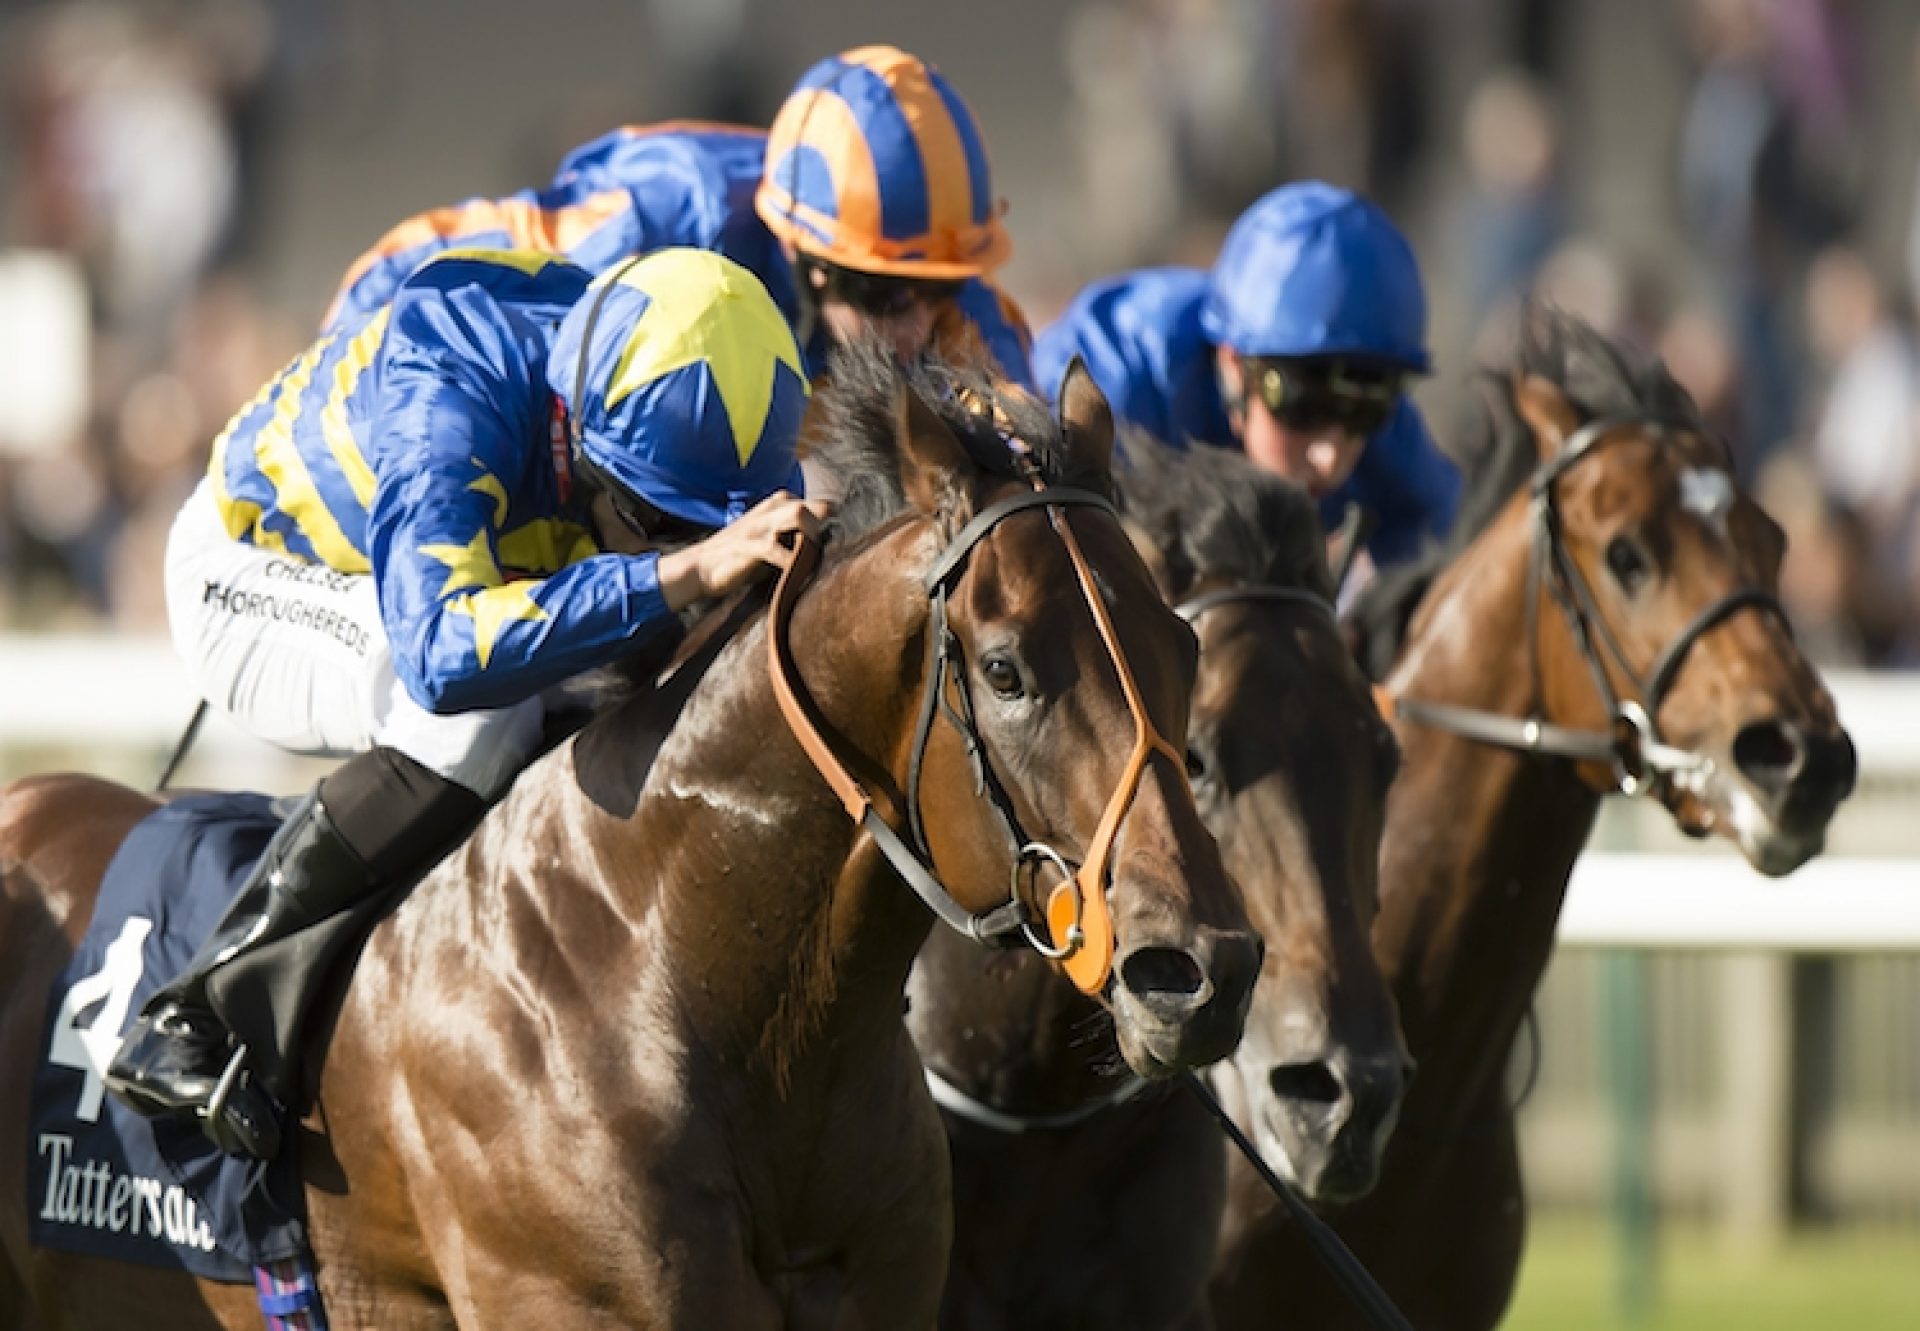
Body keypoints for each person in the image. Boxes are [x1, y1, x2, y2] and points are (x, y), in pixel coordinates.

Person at [105, 247, 826, 1155]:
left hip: (417, 577)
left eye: (704, 522)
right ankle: (197, 1007)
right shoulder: (452, 394)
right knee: (477, 718)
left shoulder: (637, 371)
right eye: (658, 517)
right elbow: (444, 653)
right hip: (250, 574)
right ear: (579, 439)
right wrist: (676, 570)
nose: (686, 542)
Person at [325, 45, 1033, 387]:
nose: (914, 328)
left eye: (939, 291)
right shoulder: (666, 221)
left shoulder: (931, 272)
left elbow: (1029, 455)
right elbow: (417, 267)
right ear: (804, 256)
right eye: (879, 294)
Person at [1032, 181, 1460, 567]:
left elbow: (1448, 540)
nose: (1329, 457)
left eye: (1367, 411)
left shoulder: (1385, 431)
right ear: (1234, 366)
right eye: (1302, 406)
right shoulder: (1122, 381)